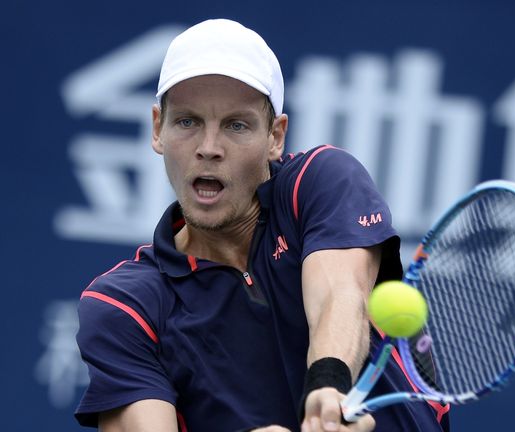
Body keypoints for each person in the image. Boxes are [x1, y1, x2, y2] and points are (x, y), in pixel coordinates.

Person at [74, 18, 449, 432]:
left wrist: (327, 387)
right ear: (158, 128)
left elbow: (340, 293)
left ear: (275, 136)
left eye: (237, 125)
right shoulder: (126, 307)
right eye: (187, 122)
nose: (209, 148)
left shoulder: (318, 182)